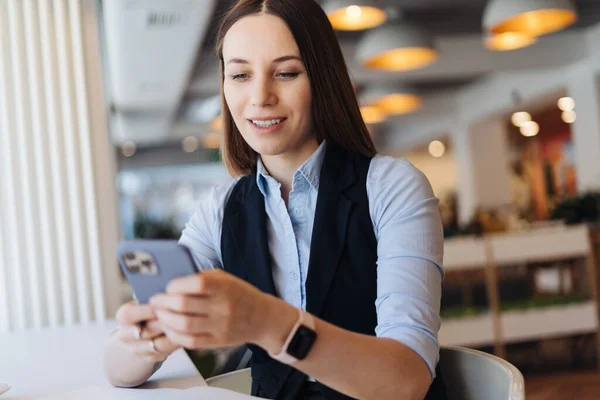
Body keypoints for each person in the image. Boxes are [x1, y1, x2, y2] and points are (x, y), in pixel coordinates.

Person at [103, 1, 446, 399]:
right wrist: (148, 337)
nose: (260, 96)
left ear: (322, 78)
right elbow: (117, 368)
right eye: (240, 75)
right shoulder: (220, 209)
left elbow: (406, 381)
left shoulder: (392, 187)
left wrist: (267, 322)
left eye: (285, 73)